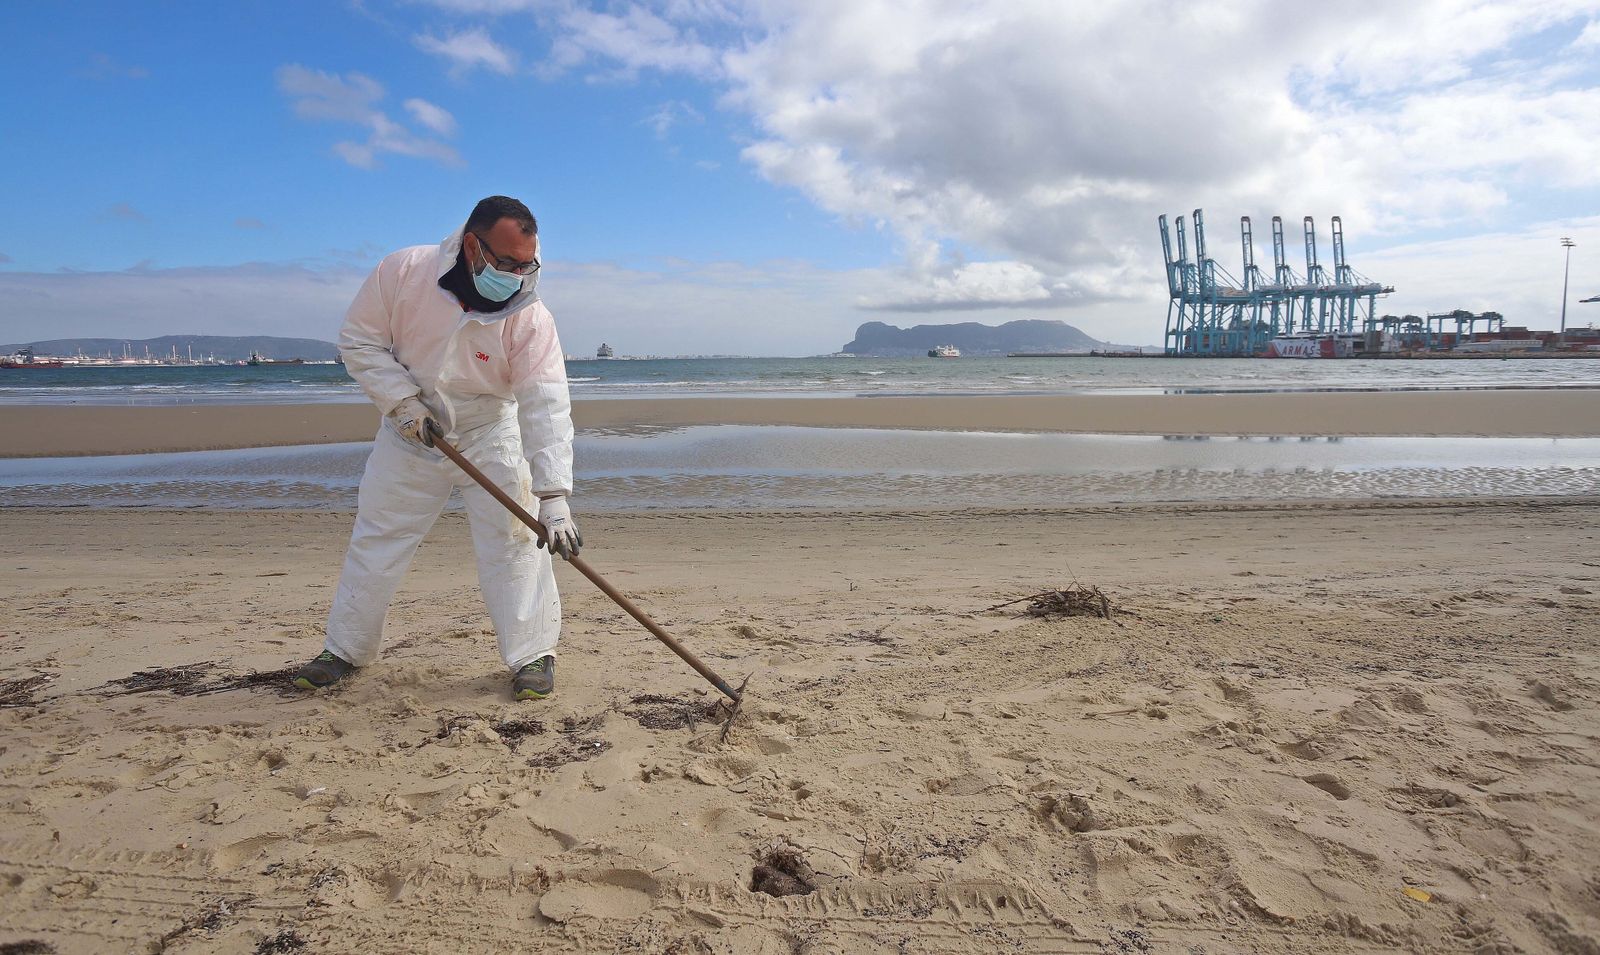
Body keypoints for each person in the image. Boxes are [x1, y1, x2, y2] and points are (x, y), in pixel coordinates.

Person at [293, 195, 581, 701]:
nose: (518, 275)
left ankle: (533, 655)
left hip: (490, 432)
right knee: (378, 540)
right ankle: (344, 650)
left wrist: (554, 497)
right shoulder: (403, 272)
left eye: (527, 264)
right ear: (473, 245)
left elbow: (545, 404)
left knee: (515, 543)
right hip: (411, 430)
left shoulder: (531, 315)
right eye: (507, 263)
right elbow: (359, 341)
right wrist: (402, 404)